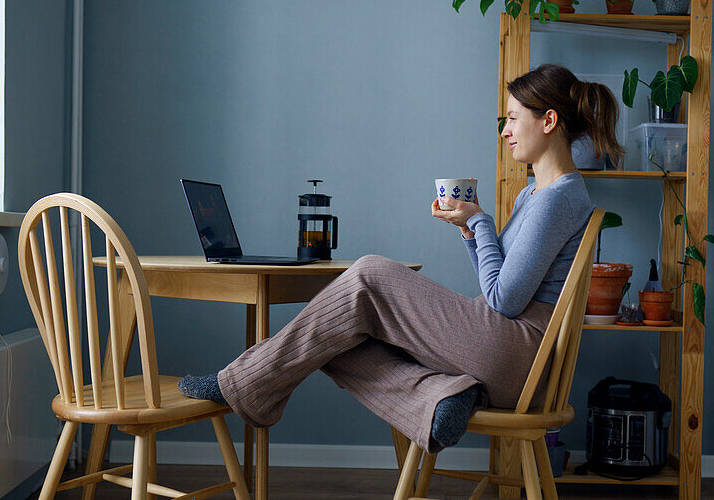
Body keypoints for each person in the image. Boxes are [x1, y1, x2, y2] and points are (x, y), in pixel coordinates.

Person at [179, 64, 622, 452]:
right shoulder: (537, 193)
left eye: (511, 119)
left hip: (520, 351)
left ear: (548, 120)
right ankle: (440, 399)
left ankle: (238, 383)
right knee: (334, 335)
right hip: (511, 348)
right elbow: (501, 282)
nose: (504, 131)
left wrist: (482, 222)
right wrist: (470, 230)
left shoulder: (556, 198)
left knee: (369, 274)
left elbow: (503, 299)